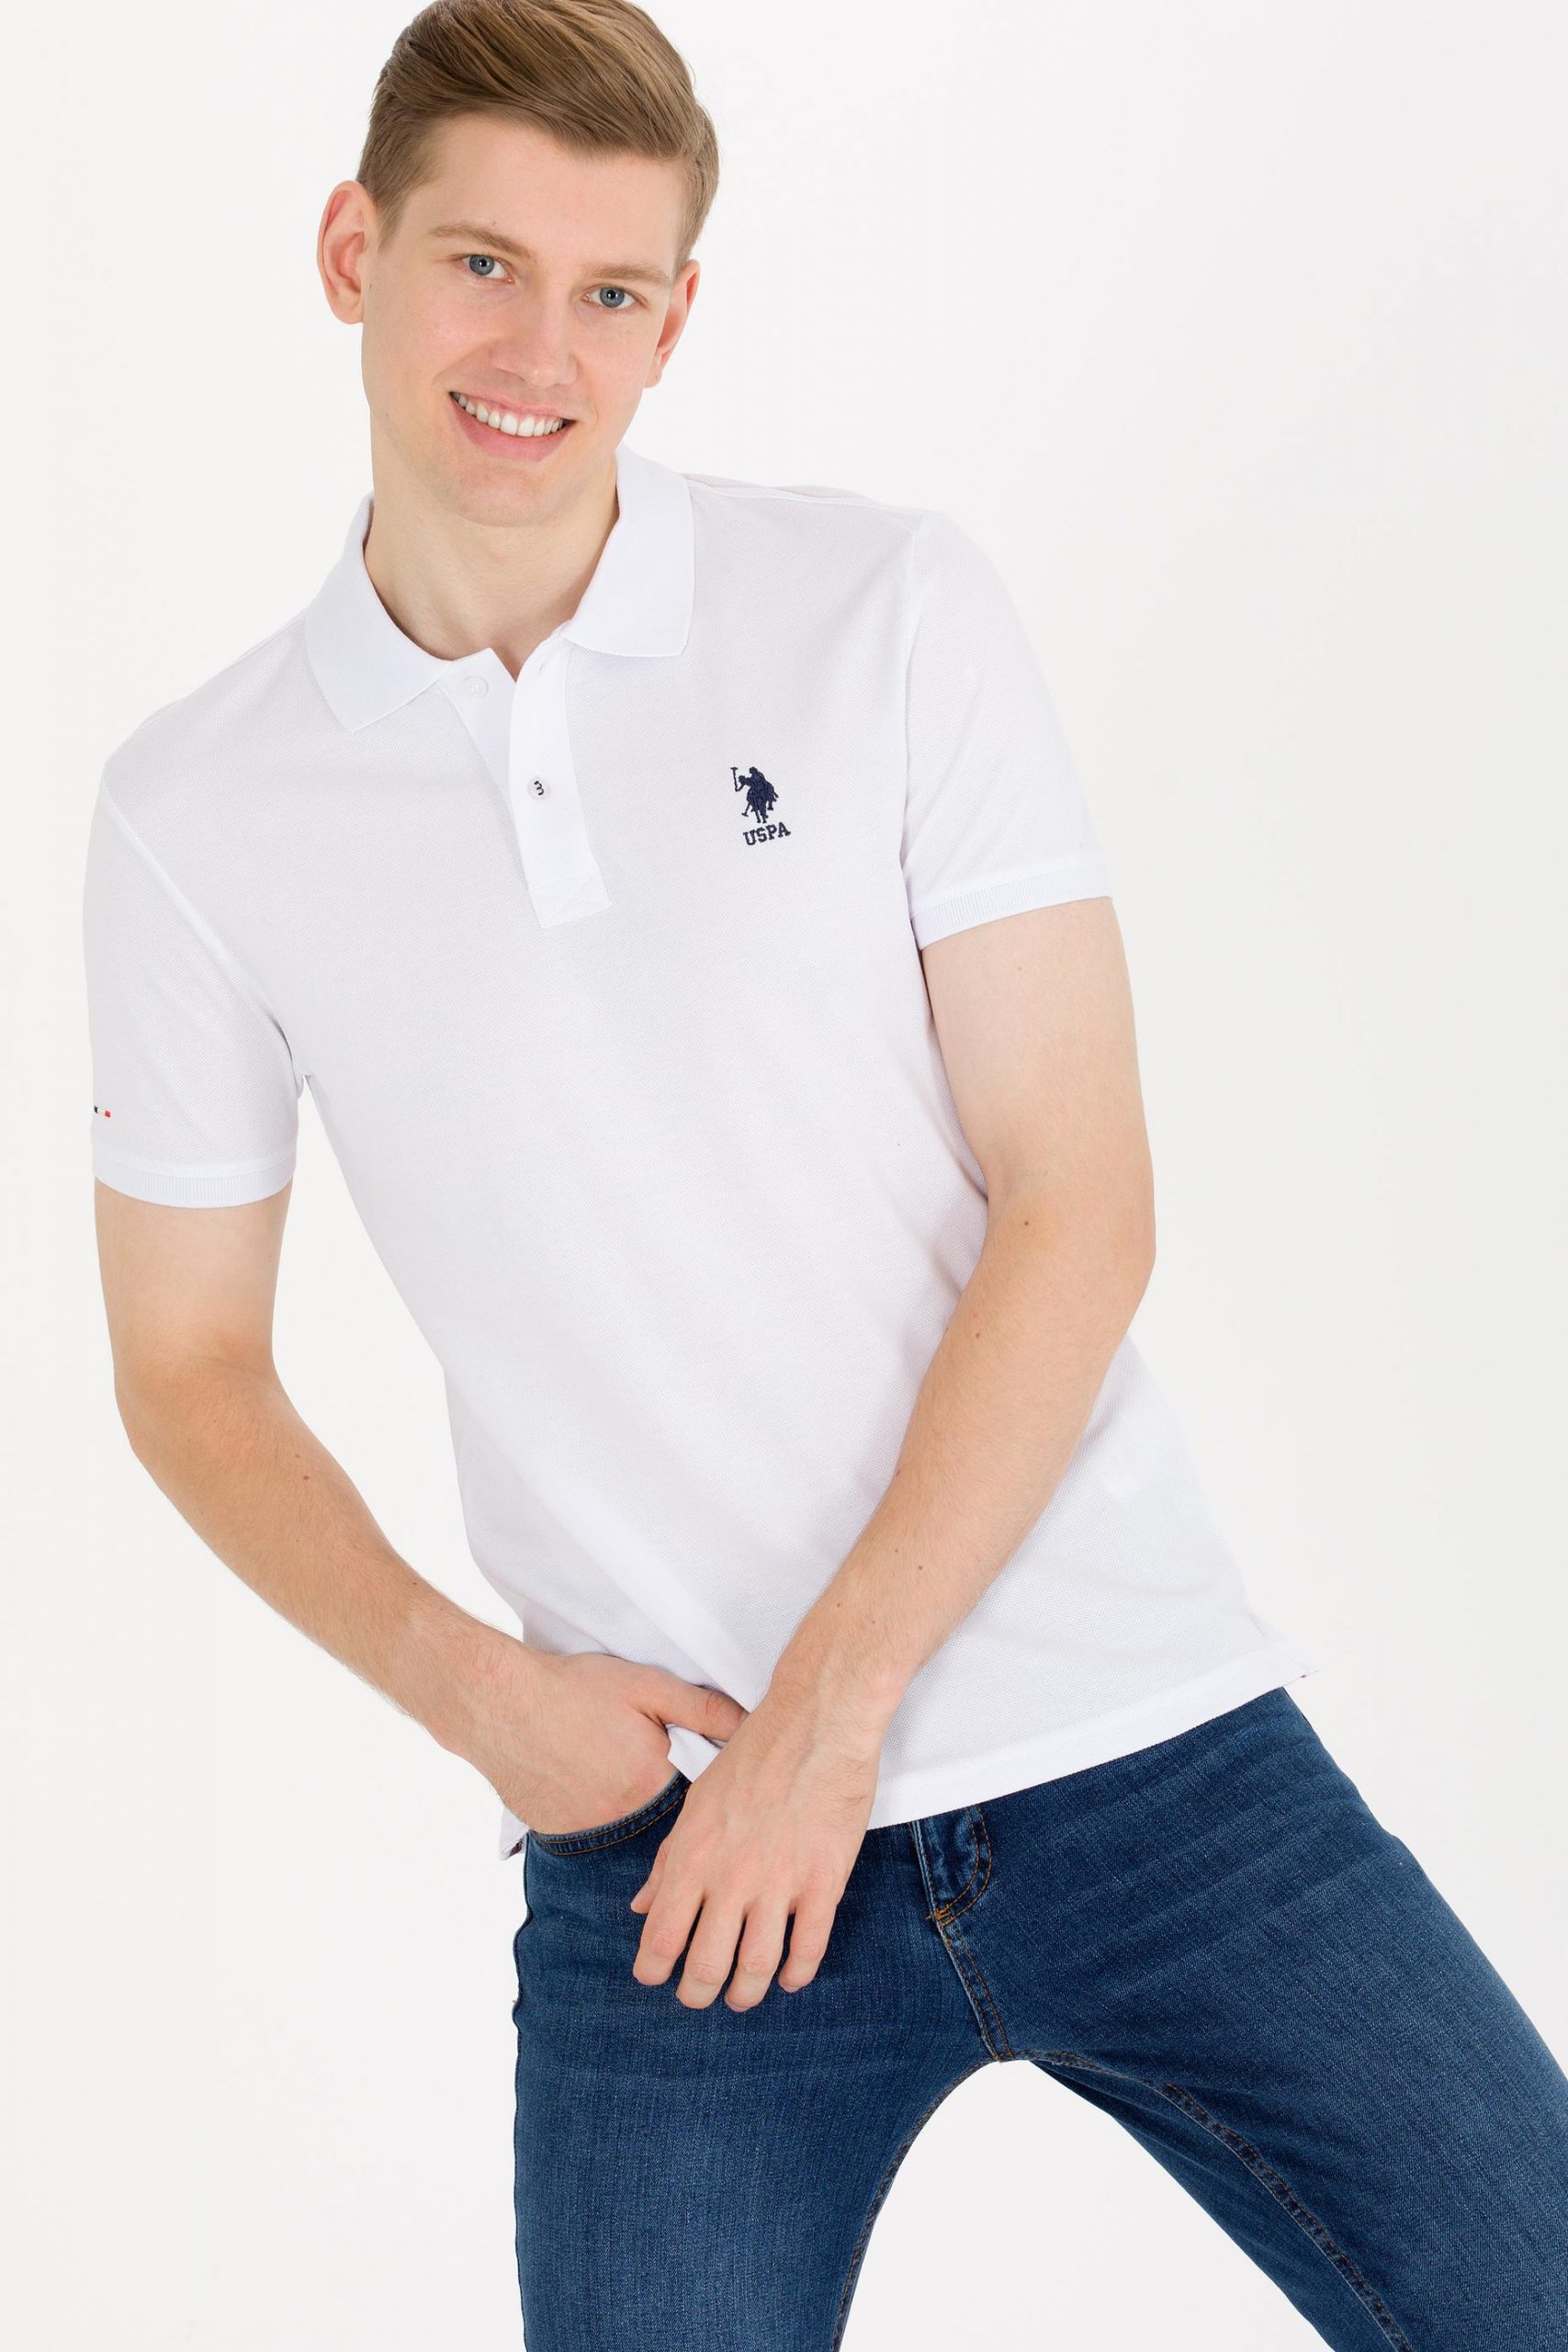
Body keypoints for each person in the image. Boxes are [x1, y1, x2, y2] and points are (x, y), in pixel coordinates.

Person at [82, 2, 1568, 2344]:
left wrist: (831, 1715)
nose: (537, 354)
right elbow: (186, 1367)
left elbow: (1078, 1191)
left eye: (608, 291)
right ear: (351, 249)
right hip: (670, 1841)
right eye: (479, 263)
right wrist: (482, 1695)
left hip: (1129, 1735)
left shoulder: (879, 609)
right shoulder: (198, 811)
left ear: (677, 318)